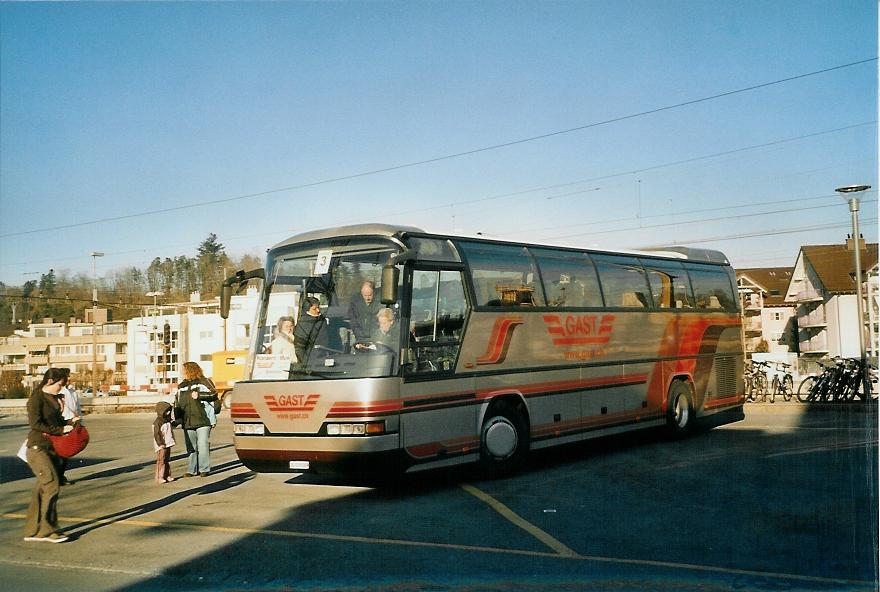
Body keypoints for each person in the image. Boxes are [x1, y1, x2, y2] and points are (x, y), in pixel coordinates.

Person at [23, 367, 80, 543]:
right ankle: (47, 531)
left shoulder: (54, 398)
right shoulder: (36, 399)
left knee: (42, 487)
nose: (61, 388)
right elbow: (36, 424)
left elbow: (55, 421)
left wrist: (70, 422)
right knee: (52, 485)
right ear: (50, 381)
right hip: (37, 448)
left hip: (51, 448)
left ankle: (33, 530)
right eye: (60, 384)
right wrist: (61, 430)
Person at [174, 361, 219, 478]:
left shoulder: (204, 381)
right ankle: (192, 470)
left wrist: (199, 395)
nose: (182, 373)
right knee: (191, 447)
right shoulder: (181, 386)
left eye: (184, 370)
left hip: (203, 420)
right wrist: (178, 418)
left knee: (203, 444)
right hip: (187, 420)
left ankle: (204, 469)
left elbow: (214, 394)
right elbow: (177, 403)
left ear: (190, 370)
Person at [57, 370, 81, 486]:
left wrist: (80, 421)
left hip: (73, 424)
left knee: (66, 452)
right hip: (62, 424)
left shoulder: (73, 391)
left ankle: (61, 475)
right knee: (60, 452)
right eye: (67, 376)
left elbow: (77, 407)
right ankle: (57, 476)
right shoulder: (59, 391)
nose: (69, 378)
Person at [293, 297, 328, 364]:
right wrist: (306, 363)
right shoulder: (303, 325)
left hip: (326, 356)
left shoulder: (322, 321)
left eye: (318, 307)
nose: (318, 310)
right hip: (311, 360)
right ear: (307, 310)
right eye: (314, 309)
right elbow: (299, 348)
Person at [152, 402, 176, 484]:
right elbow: (156, 434)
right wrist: (160, 443)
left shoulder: (167, 420)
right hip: (161, 445)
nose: (168, 413)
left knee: (166, 460)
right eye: (166, 411)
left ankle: (167, 475)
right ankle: (159, 476)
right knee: (161, 461)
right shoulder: (157, 423)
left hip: (168, 443)